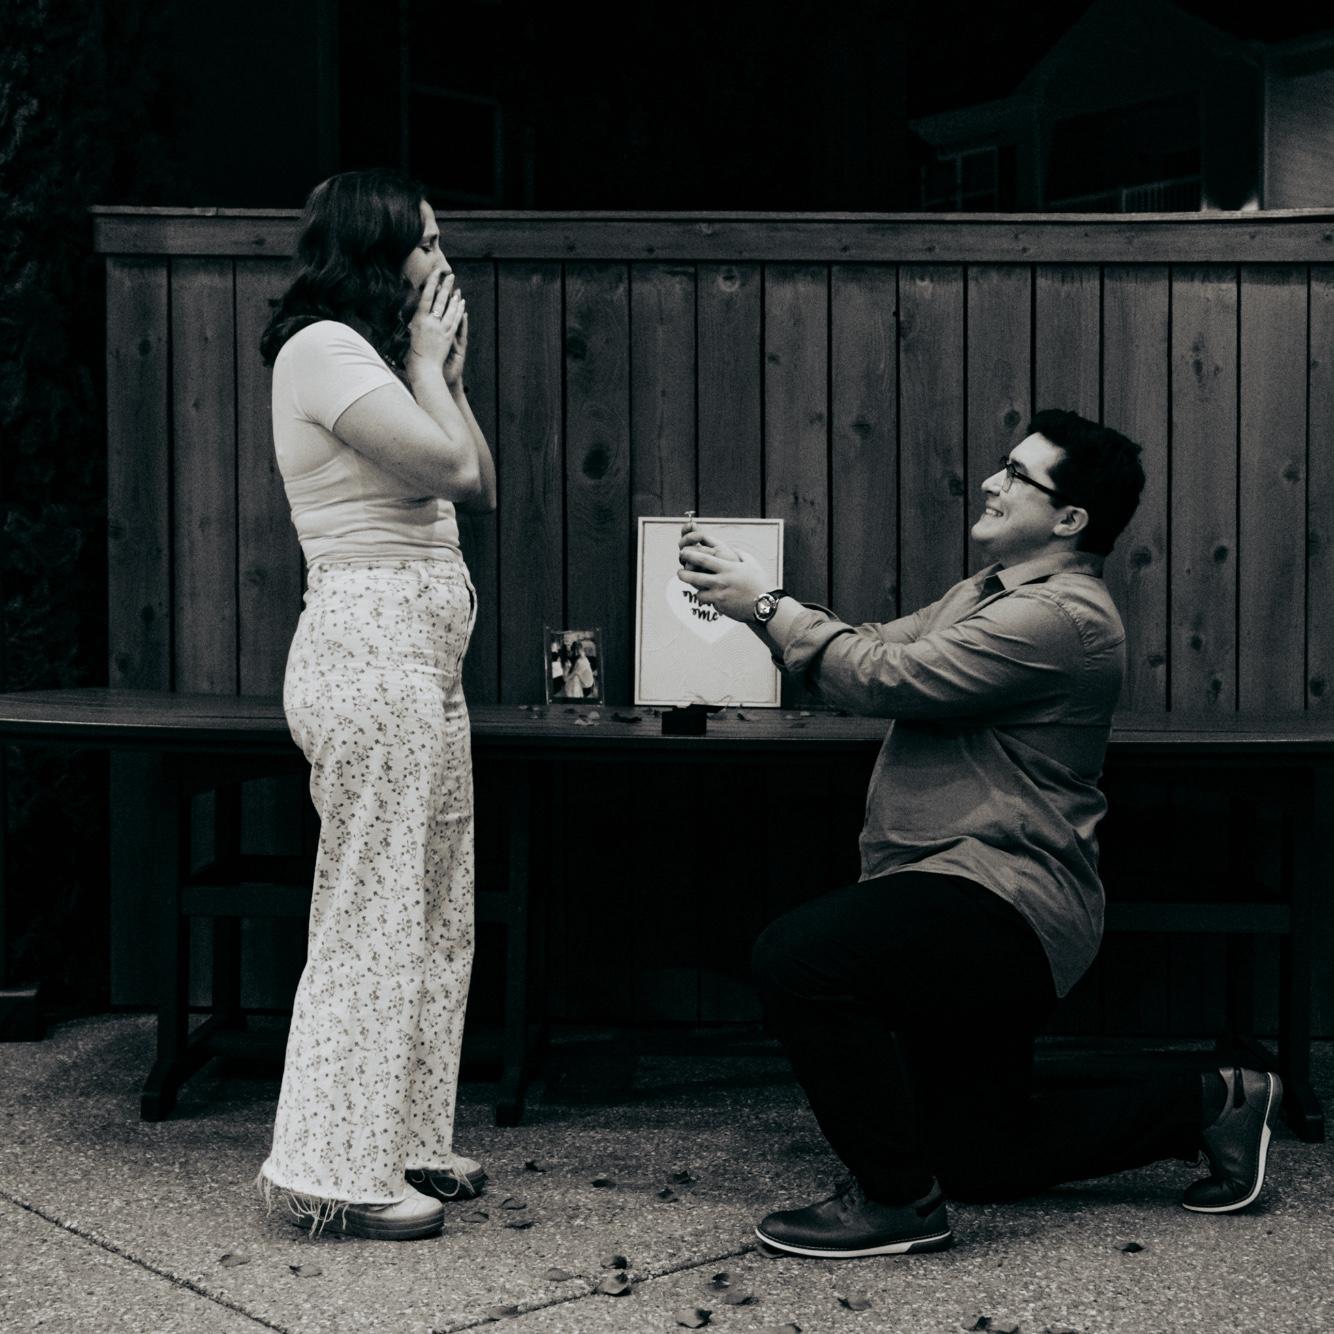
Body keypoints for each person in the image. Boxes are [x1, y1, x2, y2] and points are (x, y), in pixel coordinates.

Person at [678, 410, 1282, 1259]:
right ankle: (1215, 1101)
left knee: (801, 957)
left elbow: (884, 676)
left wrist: (768, 603)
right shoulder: (985, 595)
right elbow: (870, 647)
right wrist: (754, 603)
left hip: (1005, 897)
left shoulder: (1062, 618)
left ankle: (896, 1203)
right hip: (950, 889)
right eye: (1005, 464)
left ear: (1069, 519)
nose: (994, 482)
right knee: (978, 1155)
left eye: (1018, 474)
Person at [255, 168, 497, 1241]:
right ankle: (331, 1170)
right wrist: (430, 367)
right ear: (374, 246)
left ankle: (406, 1138)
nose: (441, 259)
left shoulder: (385, 358)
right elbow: (451, 470)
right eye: (426, 240)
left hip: (423, 663)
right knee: (371, 909)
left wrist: (441, 374)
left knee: (437, 904)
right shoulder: (322, 348)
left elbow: (480, 476)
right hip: (367, 653)